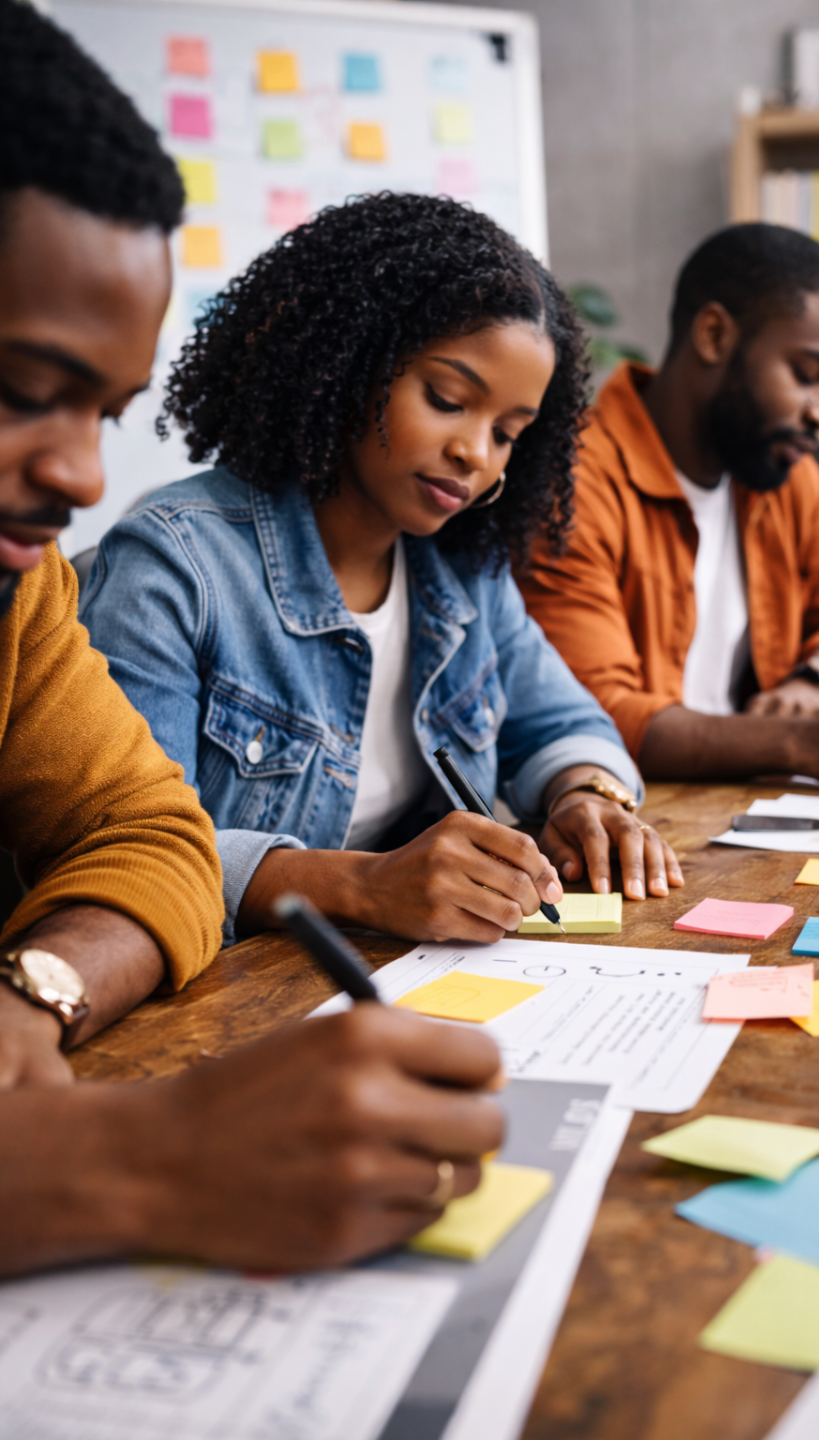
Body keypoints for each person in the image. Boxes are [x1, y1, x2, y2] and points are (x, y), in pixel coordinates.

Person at [0, 0, 502, 1278]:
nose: (74, 473)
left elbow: (150, 831)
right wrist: (144, 1157)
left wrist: (36, 989)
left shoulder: (20, 596)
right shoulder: (180, 552)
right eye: (20, 393)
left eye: (106, 411)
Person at [81, 191, 684, 944]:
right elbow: (127, 849)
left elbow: (565, 723)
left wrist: (586, 796)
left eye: (508, 432)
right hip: (221, 1003)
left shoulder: (464, 570)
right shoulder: (175, 564)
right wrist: (365, 885)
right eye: (447, 399)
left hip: (400, 975)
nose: (475, 453)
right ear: (347, 361)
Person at [517, 224, 819, 788]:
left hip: (746, 802)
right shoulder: (573, 481)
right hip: (634, 820)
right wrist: (804, 740)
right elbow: (596, 719)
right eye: (807, 376)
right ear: (714, 335)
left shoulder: (784, 477)